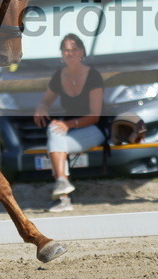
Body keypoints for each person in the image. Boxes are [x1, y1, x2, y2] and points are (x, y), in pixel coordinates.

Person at [32, 34, 104, 212]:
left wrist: (68, 125)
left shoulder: (93, 75)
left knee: (55, 140)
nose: (70, 53)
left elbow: (95, 116)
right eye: (66, 50)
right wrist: (41, 107)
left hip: (94, 129)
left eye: (73, 50)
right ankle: (63, 185)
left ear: (81, 52)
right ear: (61, 54)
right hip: (70, 133)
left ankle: (63, 197)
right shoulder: (59, 75)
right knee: (55, 136)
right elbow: (46, 100)